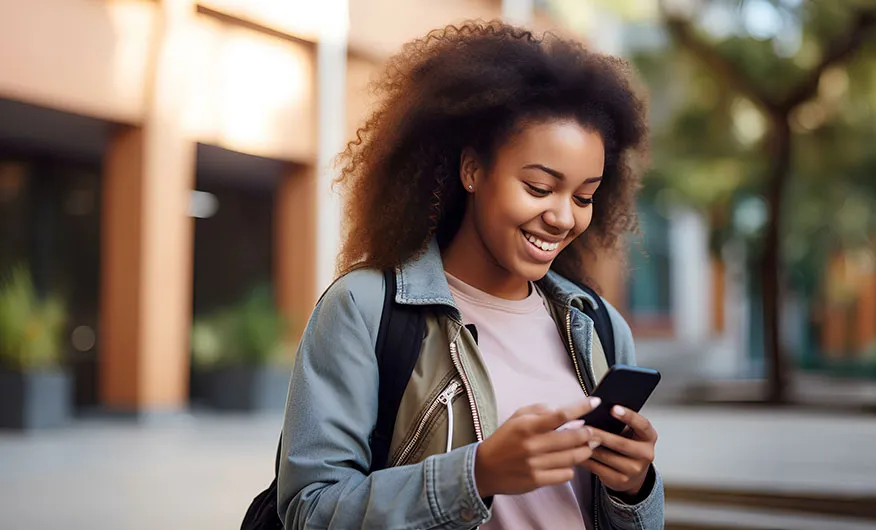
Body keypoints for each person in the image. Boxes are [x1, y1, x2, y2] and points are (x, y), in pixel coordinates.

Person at [276, 20, 664, 530]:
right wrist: (476, 475)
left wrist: (634, 487)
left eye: (584, 196)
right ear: (472, 170)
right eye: (539, 186)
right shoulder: (364, 310)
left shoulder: (599, 327)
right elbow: (309, 510)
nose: (564, 217)